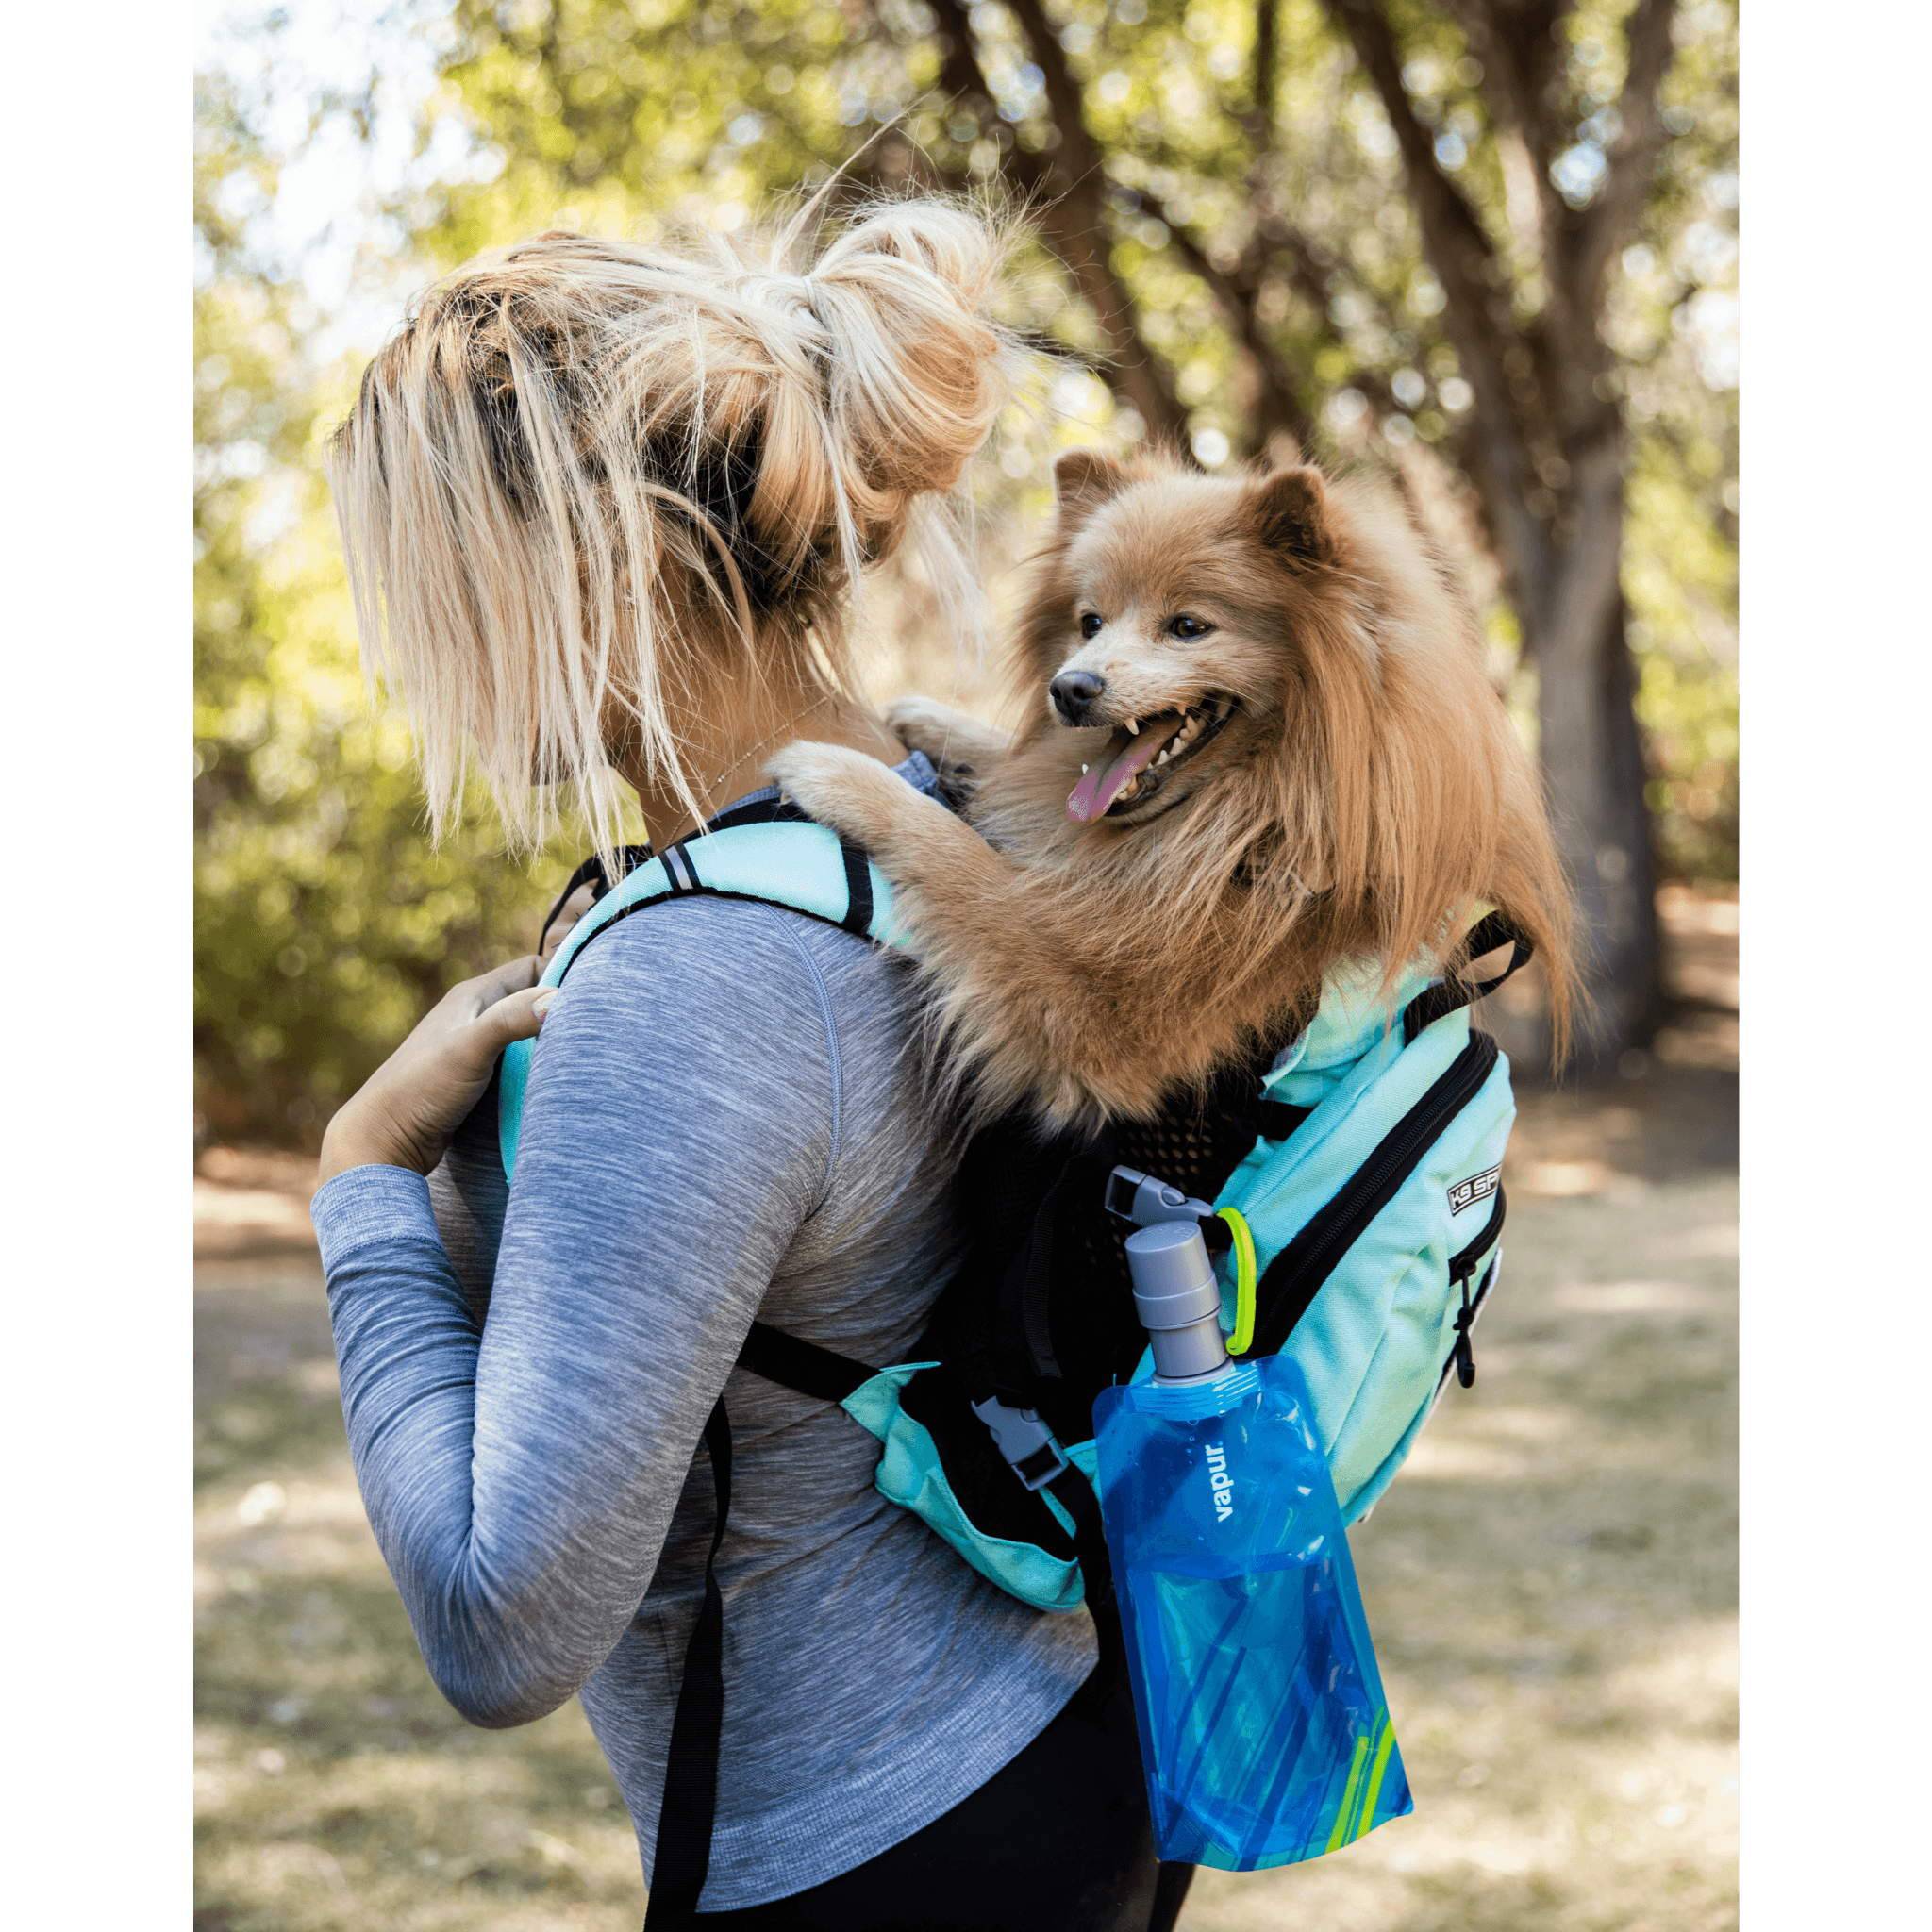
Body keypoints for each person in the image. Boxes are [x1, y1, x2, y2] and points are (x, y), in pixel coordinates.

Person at [311, 201, 1193, 1930]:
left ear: (603, 560)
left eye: (436, 586)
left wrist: (360, 1179)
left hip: (859, 1854)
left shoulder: (699, 977)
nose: (421, 661)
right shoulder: (948, 824)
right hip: (1070, 1742)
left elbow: (503, 1627)